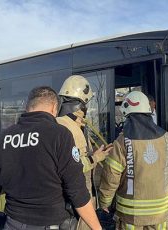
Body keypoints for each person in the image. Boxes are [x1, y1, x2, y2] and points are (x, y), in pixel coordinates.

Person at [0, 86, 102, 230]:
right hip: (51, 224)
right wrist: (97, 228)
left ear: (27, 106)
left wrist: (19, 182)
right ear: (55, 107)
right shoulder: (60, 135)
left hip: (12, 224)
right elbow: (77, 192)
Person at [99, 91, 168, 230]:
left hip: (130, 218)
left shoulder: (122, 142)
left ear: (127, 115)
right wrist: (164, 187)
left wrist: (104, 203)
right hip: (160, 216)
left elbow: (110, 178)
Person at [56, 75, 112, 229]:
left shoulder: (75, 125)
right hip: (73, 208)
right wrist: (95, 158)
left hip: (81, 204)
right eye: (86, 103)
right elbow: (70, 170)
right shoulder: (65, 128)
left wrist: (96, 154)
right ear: (81, 103)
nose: (87, 109)